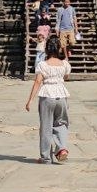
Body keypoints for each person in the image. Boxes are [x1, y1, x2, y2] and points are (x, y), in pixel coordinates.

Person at [25, 36, 71, 164]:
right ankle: (62, 148)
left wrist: (30, 100)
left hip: (47, 96)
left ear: (46, 49)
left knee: (46, 126)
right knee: (61, 123)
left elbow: (38, 82)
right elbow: (66, 76)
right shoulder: (64, 64)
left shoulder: (43, 65)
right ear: (58, 49)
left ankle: (46, 157)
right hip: (61, 96)